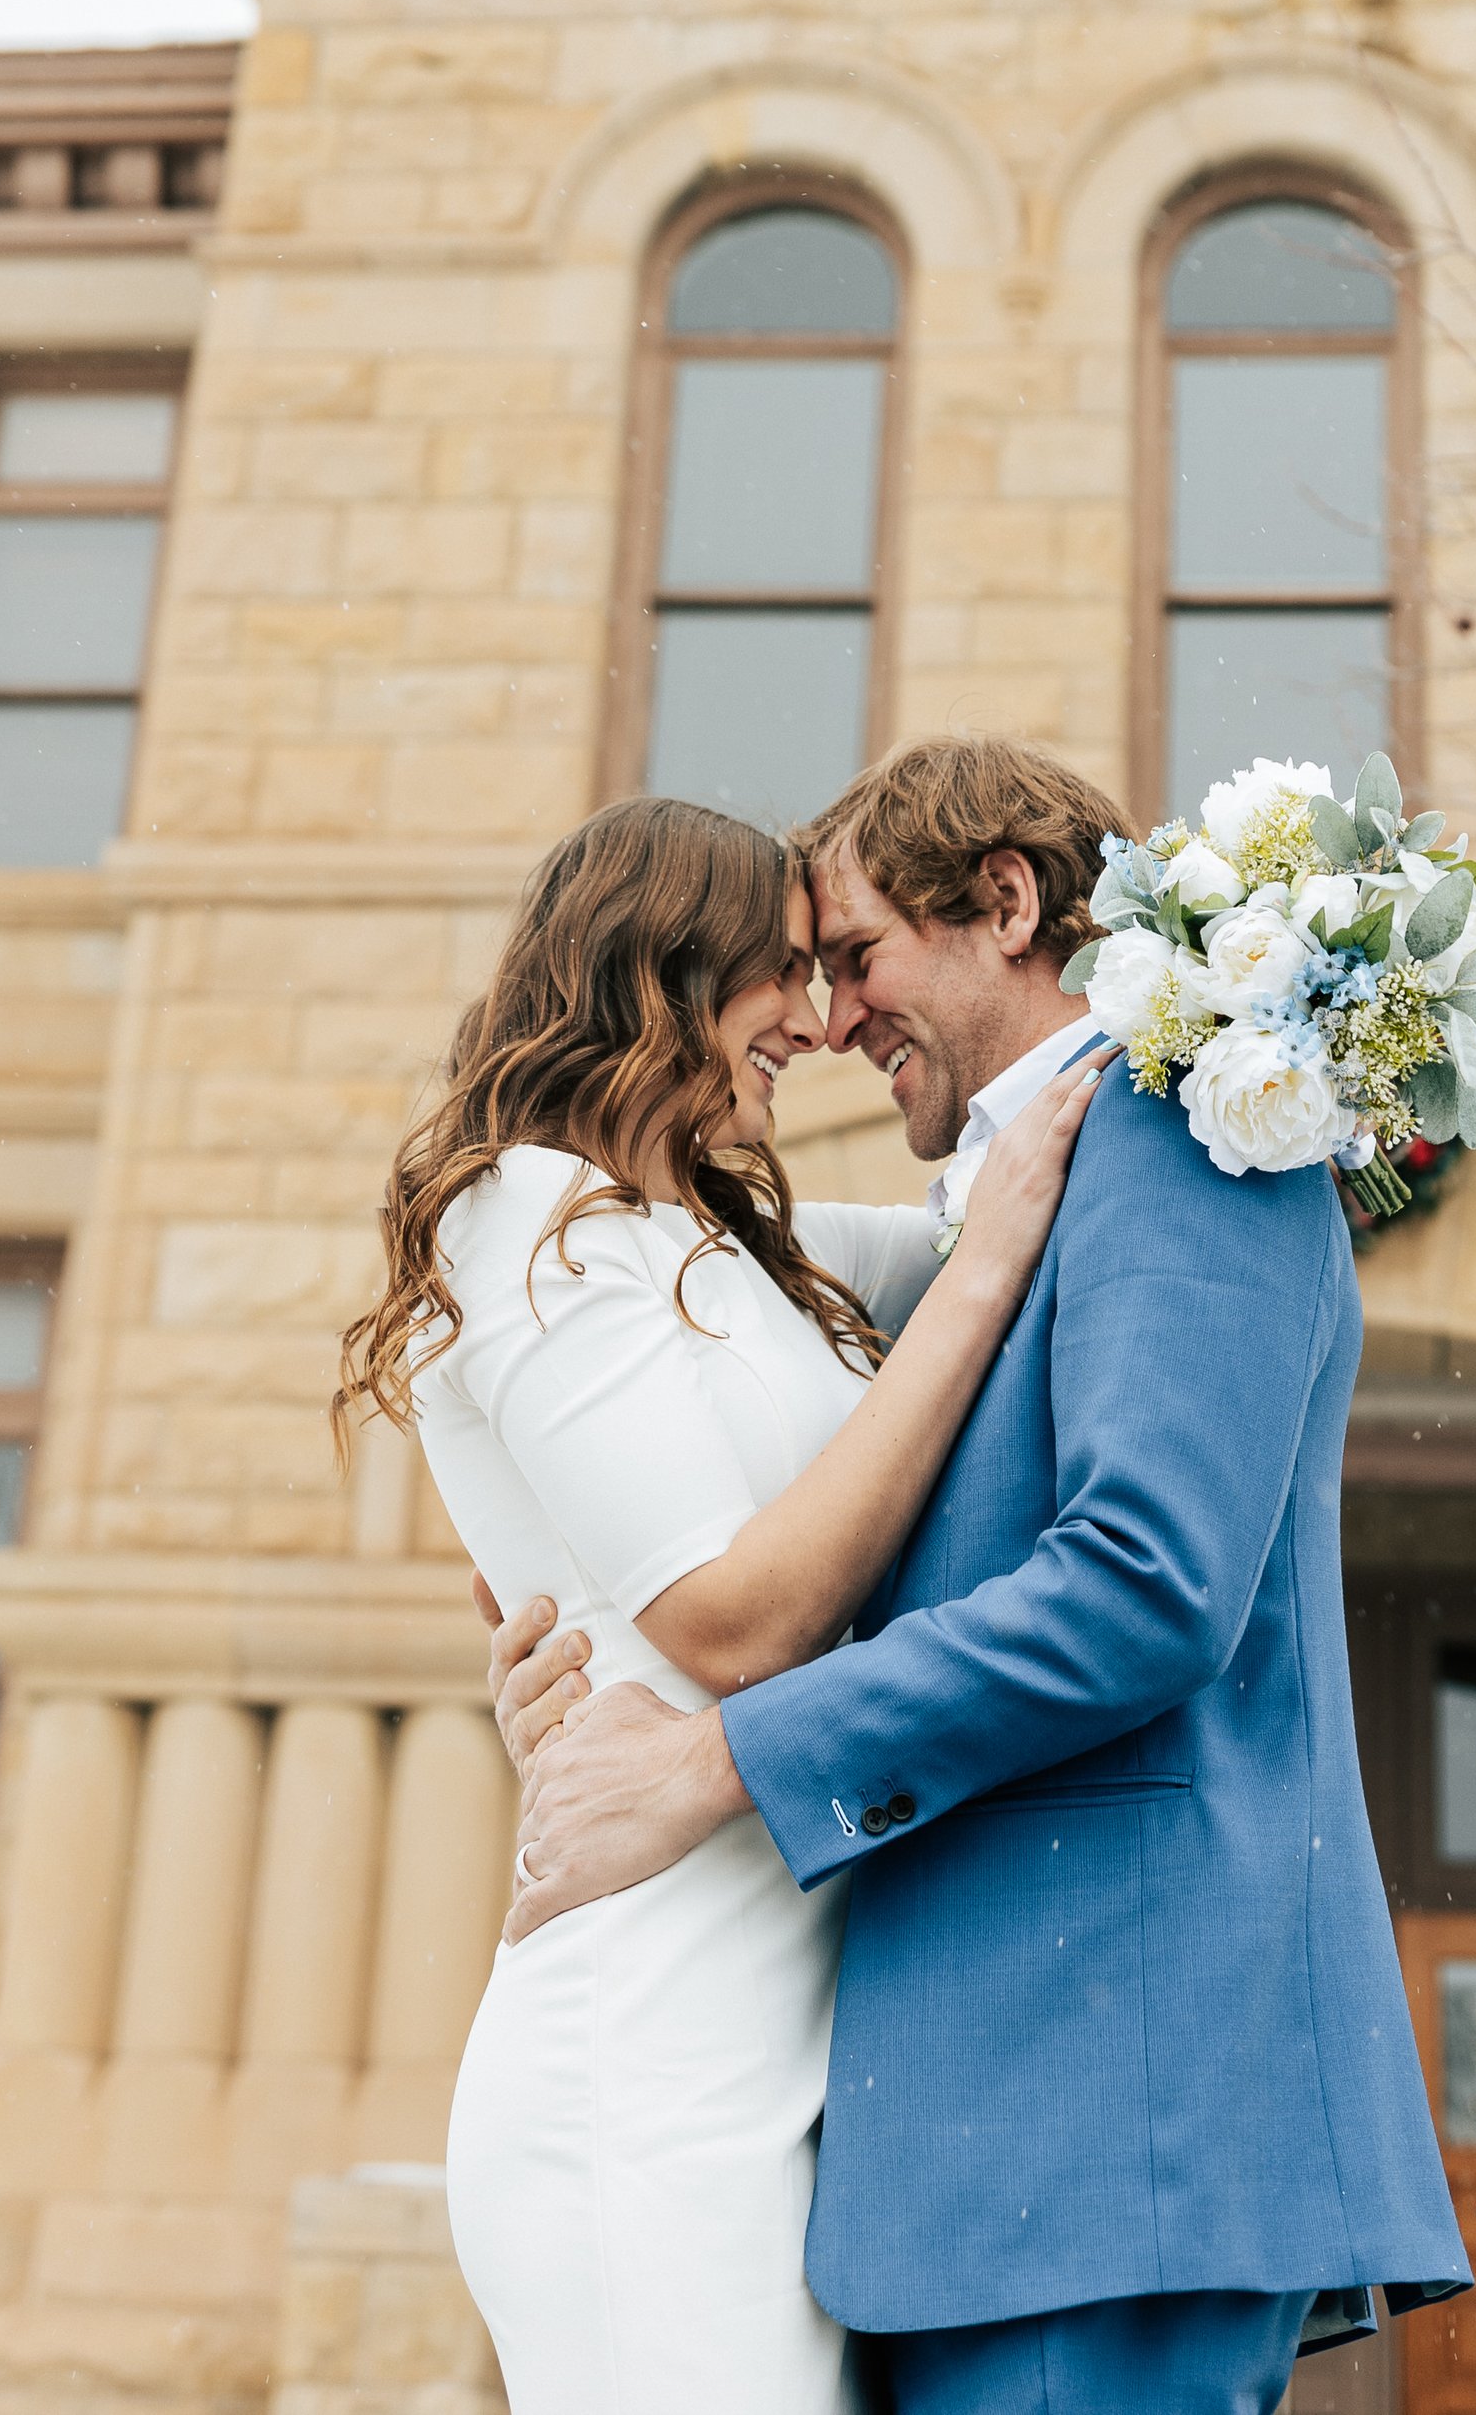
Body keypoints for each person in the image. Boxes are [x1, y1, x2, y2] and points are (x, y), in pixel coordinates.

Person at [492, 735, 1470, 2415]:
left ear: (1006, 904)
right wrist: (587, 1655)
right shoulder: (1001, 1202)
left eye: (857, 952)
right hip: (992, 2148)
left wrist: (710, 1762)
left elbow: (1144, 1584)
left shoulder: (1184, 1135)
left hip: (1105, 2120)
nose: (832, 1010)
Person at [331, 790, 1104, 2415]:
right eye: (787, 974)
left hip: (788, 2048)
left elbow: (1028, 1198)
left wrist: (1229, 1014)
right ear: (665, 964)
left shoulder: (730, 1241)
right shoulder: (526, 1217)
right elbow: (730, 1623)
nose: (820, 1024)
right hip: (651, 2056)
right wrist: (976, 1268)